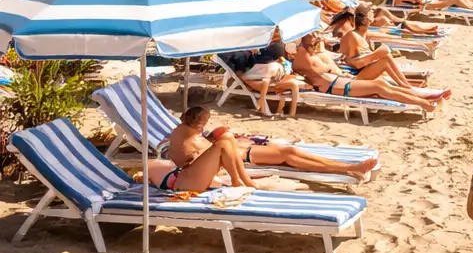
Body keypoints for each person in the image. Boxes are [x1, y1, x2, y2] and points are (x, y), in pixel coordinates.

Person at [170, 105, 378, 180]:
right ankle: (349, 169)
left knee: (290, 150)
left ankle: (349, 168)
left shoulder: (186, 132)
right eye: (204, 122)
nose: (205, 125)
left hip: (245, 150)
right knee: (288, 154)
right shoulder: (187, 138)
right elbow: (194, 161)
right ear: (195, 121)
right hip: (246, 157)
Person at [291, 32, 448, 111]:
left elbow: (320, 64)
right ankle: (423, 103)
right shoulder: (302, 55)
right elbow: (310, 69)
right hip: (334, 87)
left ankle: (423, 98)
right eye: (313, 34)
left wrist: (318, 46)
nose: (317, 36)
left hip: (339, 81)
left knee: (380, 83)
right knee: (379, 87)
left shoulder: (312, 53)